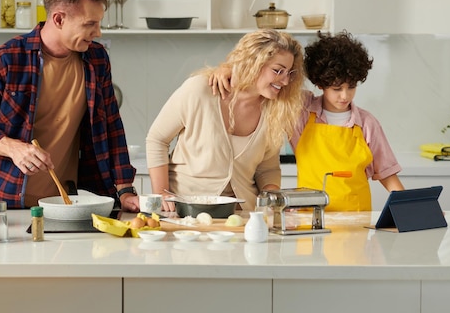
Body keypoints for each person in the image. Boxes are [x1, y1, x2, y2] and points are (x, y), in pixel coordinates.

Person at [0, 0, 140, 212]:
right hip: (5, 204)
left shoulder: (97, 59)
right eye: (90, 24)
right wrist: (12, 147)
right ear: (59, 19)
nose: (98, 32)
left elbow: (112, 127)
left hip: (70, 204)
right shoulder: (5, 59)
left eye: (99, 23)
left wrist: (125, 189)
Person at [211, 30, 404, 211]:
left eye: (351, 87)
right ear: (321, 84)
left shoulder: (367, 123)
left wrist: (408, 207)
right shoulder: (301, 109)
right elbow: (265, 82)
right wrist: (228, 69)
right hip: (310, 216)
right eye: (337, 89)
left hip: (356, 218)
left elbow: (387, 174)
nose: (345, 96)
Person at [146, 29, 305, 212]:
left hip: (241, 216)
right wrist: (161, 194)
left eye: (289, 73)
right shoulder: (200, 91)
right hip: (184, 211)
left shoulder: (275, 109)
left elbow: (267, 168)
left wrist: (273, 197)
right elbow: (157, 139)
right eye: (278, 71)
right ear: (253, 62)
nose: (285, 81)